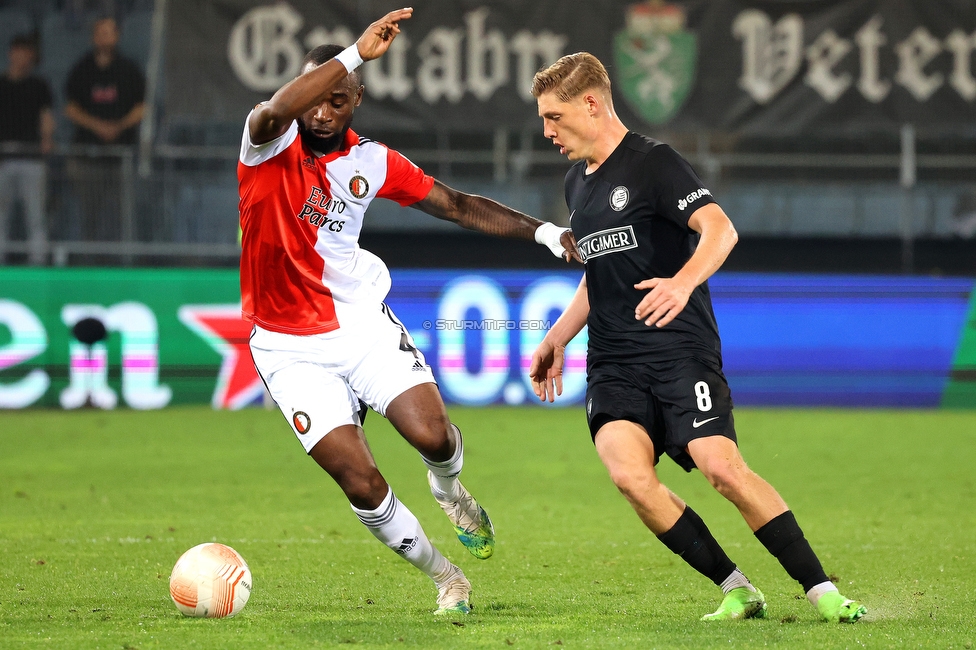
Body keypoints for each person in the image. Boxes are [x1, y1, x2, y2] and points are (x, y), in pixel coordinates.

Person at [239, 8, 578, 615]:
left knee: (434, 437)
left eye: (339, 101)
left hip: (361, 326)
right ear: (301, 89)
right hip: (288, 349)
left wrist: (546, 234)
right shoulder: (266, 143)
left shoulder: (371, 161)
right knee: (361, 481)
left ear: (357, 102)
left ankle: (448, 488)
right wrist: (355, 54)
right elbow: (274, 110)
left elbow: (455, 204)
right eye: (316, 96)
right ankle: (449, 577)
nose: (323, 112)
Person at [527, 52, 866, 623]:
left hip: (678, 348)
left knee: (721, 467)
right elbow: (598, 271)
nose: (546, 132)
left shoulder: (654, 163)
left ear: (591, 103)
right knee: (631, 478)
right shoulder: (575, 183)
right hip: (613, 361)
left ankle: (821, 592)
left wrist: (683, 284)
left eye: (553, 117)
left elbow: (720, 228)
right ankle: (736, 588)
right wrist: (559, 335)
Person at [64, 16, 145, 244]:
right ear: (93, 37)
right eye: (100, 33)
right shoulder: (82, 70)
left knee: (123, 214)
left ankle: (124, 259)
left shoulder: (129, 70)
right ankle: (88, 258)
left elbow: (142, 108)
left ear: (117, 36)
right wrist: (97, 126)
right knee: (88, 214)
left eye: (109, 33)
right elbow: (70, 108)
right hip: (88, 155)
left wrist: (117, 127)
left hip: (122, 156)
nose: (104, 38)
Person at [0, 34, 54, 265]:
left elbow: (47, 117)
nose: (22, 57)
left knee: (35, 217)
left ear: (32, 56)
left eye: (27, 52)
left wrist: (47, 138)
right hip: (2, 160)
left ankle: (37, 261)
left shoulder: (39, 86)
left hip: (32, 159)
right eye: (18, 51)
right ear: (11, 53)